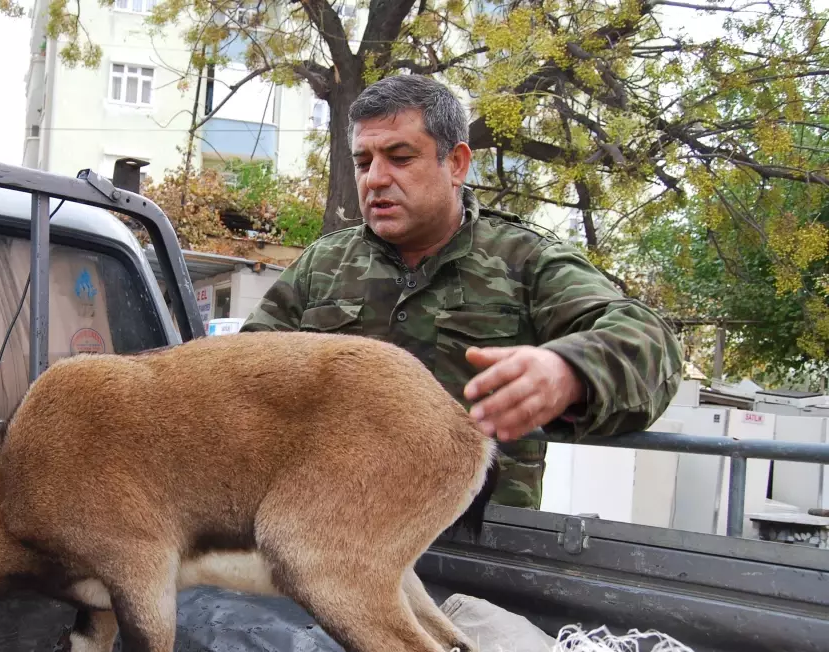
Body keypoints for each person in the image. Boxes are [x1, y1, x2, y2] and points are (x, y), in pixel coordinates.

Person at [239, 74, 684, 508]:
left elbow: (651, 340)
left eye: (400, 157)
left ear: (456, 164)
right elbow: (239, 378)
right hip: (330, 544)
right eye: (363, 162)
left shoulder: (526, 260)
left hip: (481, 552)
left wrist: (568, 372)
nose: (374, 178)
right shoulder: (323, 265)